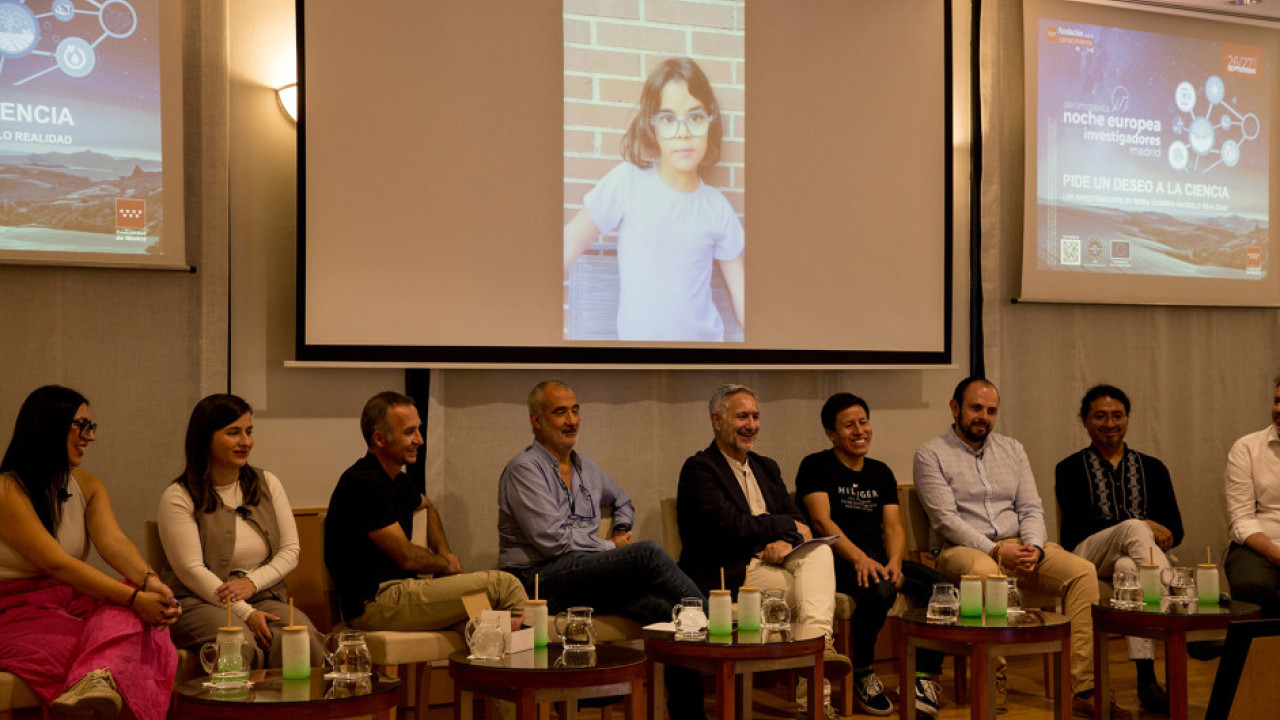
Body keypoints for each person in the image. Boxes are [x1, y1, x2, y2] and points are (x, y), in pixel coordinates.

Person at [913, 377, 1130, 719]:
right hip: (961, 549)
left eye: (991, 411)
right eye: (976, 408)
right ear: (955, 408)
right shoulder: (931, 454)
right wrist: (995, 551)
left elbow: (1030, 508)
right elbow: (945, 520)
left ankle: (1084, 688)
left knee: (1082, 572)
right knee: (986, 571)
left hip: (1018, 544)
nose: (983, 417)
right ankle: (994, 679)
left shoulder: (1012, 449)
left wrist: (1034, 548)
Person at [498, 380, 707, 720]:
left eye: (575, 411)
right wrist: (611, 546)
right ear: (537, 421)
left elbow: (622, 499)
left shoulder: (587, 468)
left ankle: (690, 715)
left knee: (665, 612)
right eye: (560, 412)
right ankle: (717, 629)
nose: (572, 421)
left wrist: (621, 528)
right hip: (536, 580)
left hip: (581, 575)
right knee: (648, 554)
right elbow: (552, 541)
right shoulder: (524, 469)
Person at [0, 385, 179, 720]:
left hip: (67, 600)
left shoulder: (88, 485)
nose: (90, 437)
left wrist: (150, 583)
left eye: (91, 427)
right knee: (109, 646)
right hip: (13, 609)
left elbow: (114, 542)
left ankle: (96, 680)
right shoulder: (7, 489)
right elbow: (57, 563)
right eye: (82, 426)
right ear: (49, 425)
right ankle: (94, 680)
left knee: (136, 618)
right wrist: (134, 599)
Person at [677, 384, 850, 720]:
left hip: (776, 562)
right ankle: (817, 695)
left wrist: (786, 540)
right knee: (811, 597)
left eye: (756, 416)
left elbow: (800, 524)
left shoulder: (766, 467)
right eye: (742, 416)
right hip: (731, 572)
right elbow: (731, 527)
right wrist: (784, 526)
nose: (751, 425)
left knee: (819, 553)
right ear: (717, 420)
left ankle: (819, 656)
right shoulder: (700, 468)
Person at [563, 56, 744, 342]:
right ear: (653, 126)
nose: (683, 132)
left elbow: (742, 293)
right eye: (668, 119)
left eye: (695, 117)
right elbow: (570, 241)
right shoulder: (627, 182)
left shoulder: (716, 207)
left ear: (709, 121)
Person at [796, 393, 948, 718]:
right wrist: (859, 559)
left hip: (878, 559)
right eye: (848, 425)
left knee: (944, 589)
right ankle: (863, 672)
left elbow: (894, 527)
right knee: (881, 590)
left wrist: (895, 562)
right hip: (835, 561)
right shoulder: (815, 466)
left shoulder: (880, 472)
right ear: (831, 433)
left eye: (863, 422)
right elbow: (822, 522)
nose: (859, 431)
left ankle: (922, 677)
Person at [325, 391, 526, 632]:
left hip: (401, 594)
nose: (419, 440)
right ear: (379, 439)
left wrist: (445, 555)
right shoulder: (362, 483)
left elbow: (426, 505)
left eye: (418, 430)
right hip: (376, 602)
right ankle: (532, 650)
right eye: (409, 432)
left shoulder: (398, 481)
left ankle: (513, 647)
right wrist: (444, 563)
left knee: (481, 622)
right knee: (504, 585)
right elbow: (407, 557)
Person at [157, 394, 325, 668]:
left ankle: (293, 700)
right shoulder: (179, 496)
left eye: (249, 431)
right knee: (237, 643)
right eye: (233, 433)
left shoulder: (267, 483)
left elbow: (290, 551)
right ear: (205, 438)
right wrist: (245, 613)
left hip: (262, 595)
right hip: (199, 601)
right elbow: (191, 571)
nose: (246, 442)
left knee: (302, 638)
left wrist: (252, 583)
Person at [1055, 384, 1182, 714]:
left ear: (1127, 419)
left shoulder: (1153, 468)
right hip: (1086, 555)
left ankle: (1146, 682)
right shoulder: (1069, 468)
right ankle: (1179, 605)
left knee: (1129, 569)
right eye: (1100, 416)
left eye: (1117, 416)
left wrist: (1154, 530)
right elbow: (1077, 526)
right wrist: (1143, 524)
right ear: (1085, 421)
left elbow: (1176, 529)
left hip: (1135, 556)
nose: (1110, 423)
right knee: (1134, 528)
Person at [1224, 376, 1280, 618]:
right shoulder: (1247, 448)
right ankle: (1258, 641)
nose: (1278, 409)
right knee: (1250, 582)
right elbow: (1242, 519)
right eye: (1276, 401)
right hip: (1259, 545)